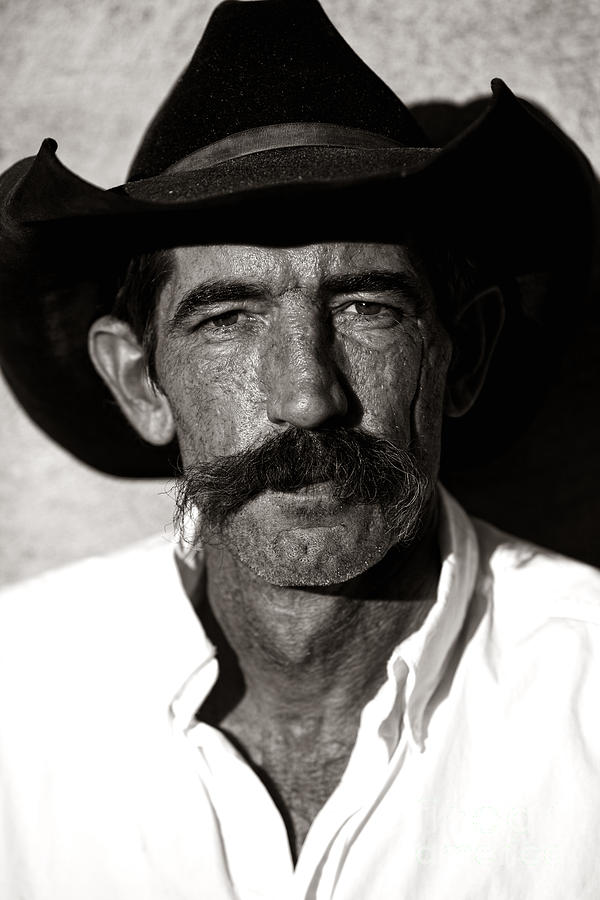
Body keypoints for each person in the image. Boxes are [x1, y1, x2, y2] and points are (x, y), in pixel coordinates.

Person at [0, 0, 599, 898]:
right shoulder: (19, 692)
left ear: (460, 357)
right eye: (228, 319)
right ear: (138, 382)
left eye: (367, 307)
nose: (307, 396)